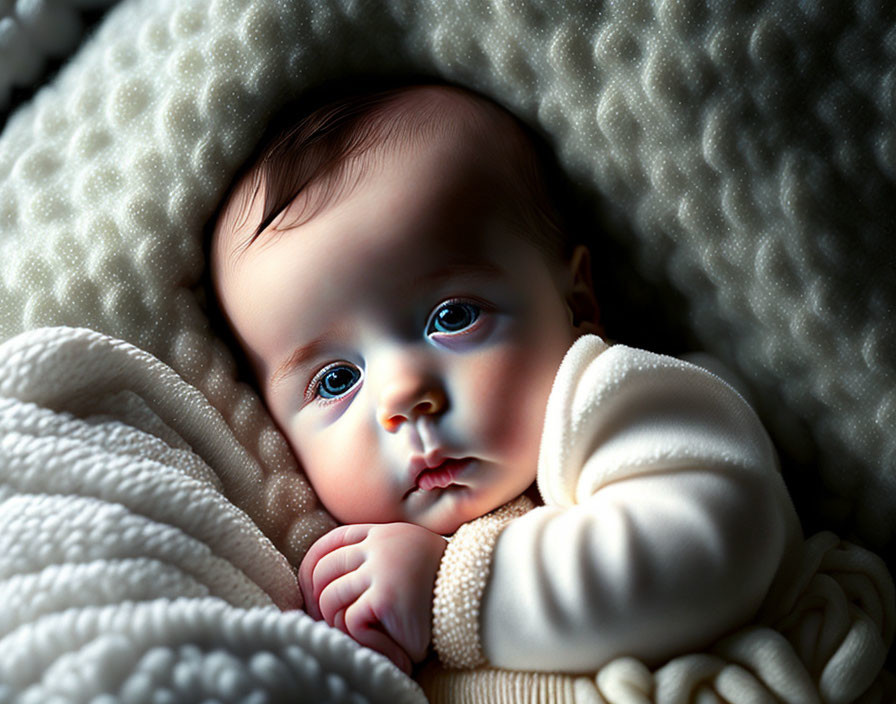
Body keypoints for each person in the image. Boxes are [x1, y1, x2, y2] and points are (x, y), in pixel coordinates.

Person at [207, 77, 805, 677]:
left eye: (454, 317)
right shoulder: (365, 580)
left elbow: (715, 545)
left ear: (576, 301)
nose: (403, 396)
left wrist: (451, 587)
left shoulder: (617, 399)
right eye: (336, 381)